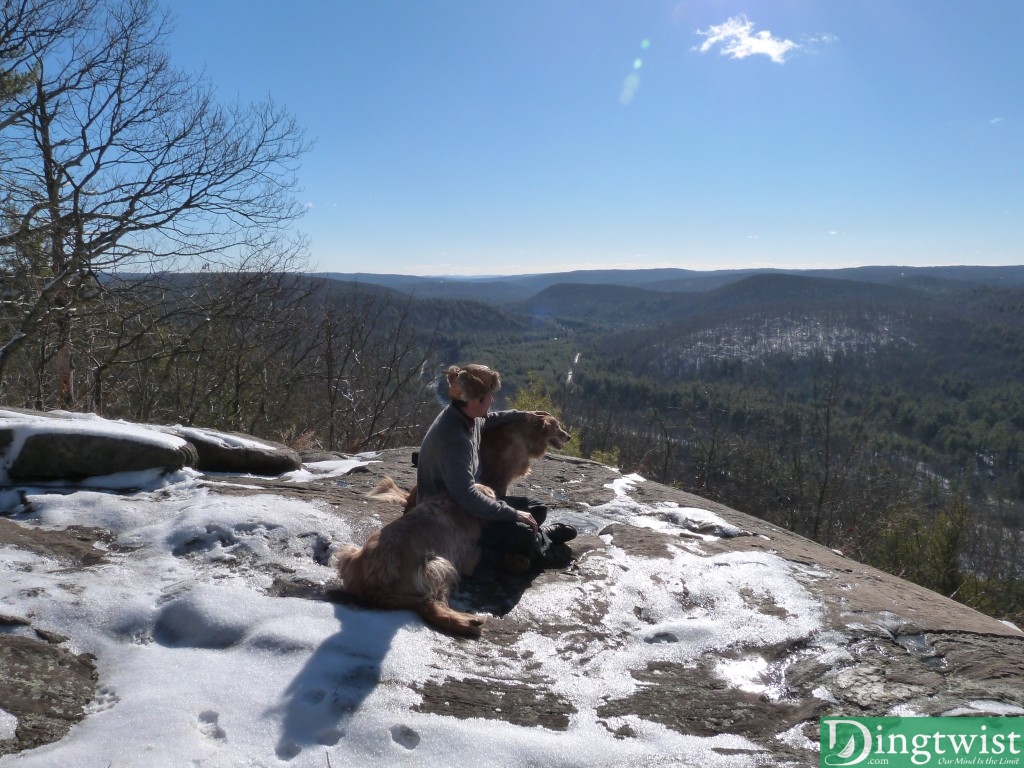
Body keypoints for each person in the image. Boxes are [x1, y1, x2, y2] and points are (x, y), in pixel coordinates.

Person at [416, 363, 576, 573]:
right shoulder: (455, 438)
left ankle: (535, 538)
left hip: (468, 506)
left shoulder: (467, 416)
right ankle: (535, 544)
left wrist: (524, 414)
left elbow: (492, 419)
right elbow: (467, 497)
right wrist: (512, 514)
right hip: (450, 518)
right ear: (476, 400)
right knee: (523, 533)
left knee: (538, 509)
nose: (492, 400)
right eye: (489, 396)